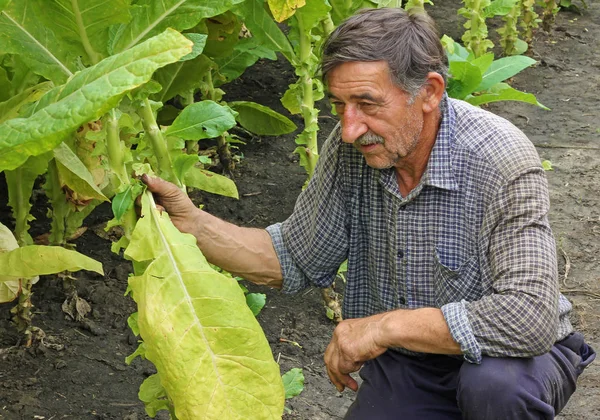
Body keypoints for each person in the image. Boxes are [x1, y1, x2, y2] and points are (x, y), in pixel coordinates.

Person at [143, 7, 595, 420]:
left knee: (495, 389)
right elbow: (292, 258)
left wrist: (383, 327)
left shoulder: (499, 157)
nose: (349, 128)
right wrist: (191, 223)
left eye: (367, 103)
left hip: (517, 361)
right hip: (415, 360)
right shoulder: (354, 150)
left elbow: (528, 318)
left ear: (429, 92)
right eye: (339, 105)